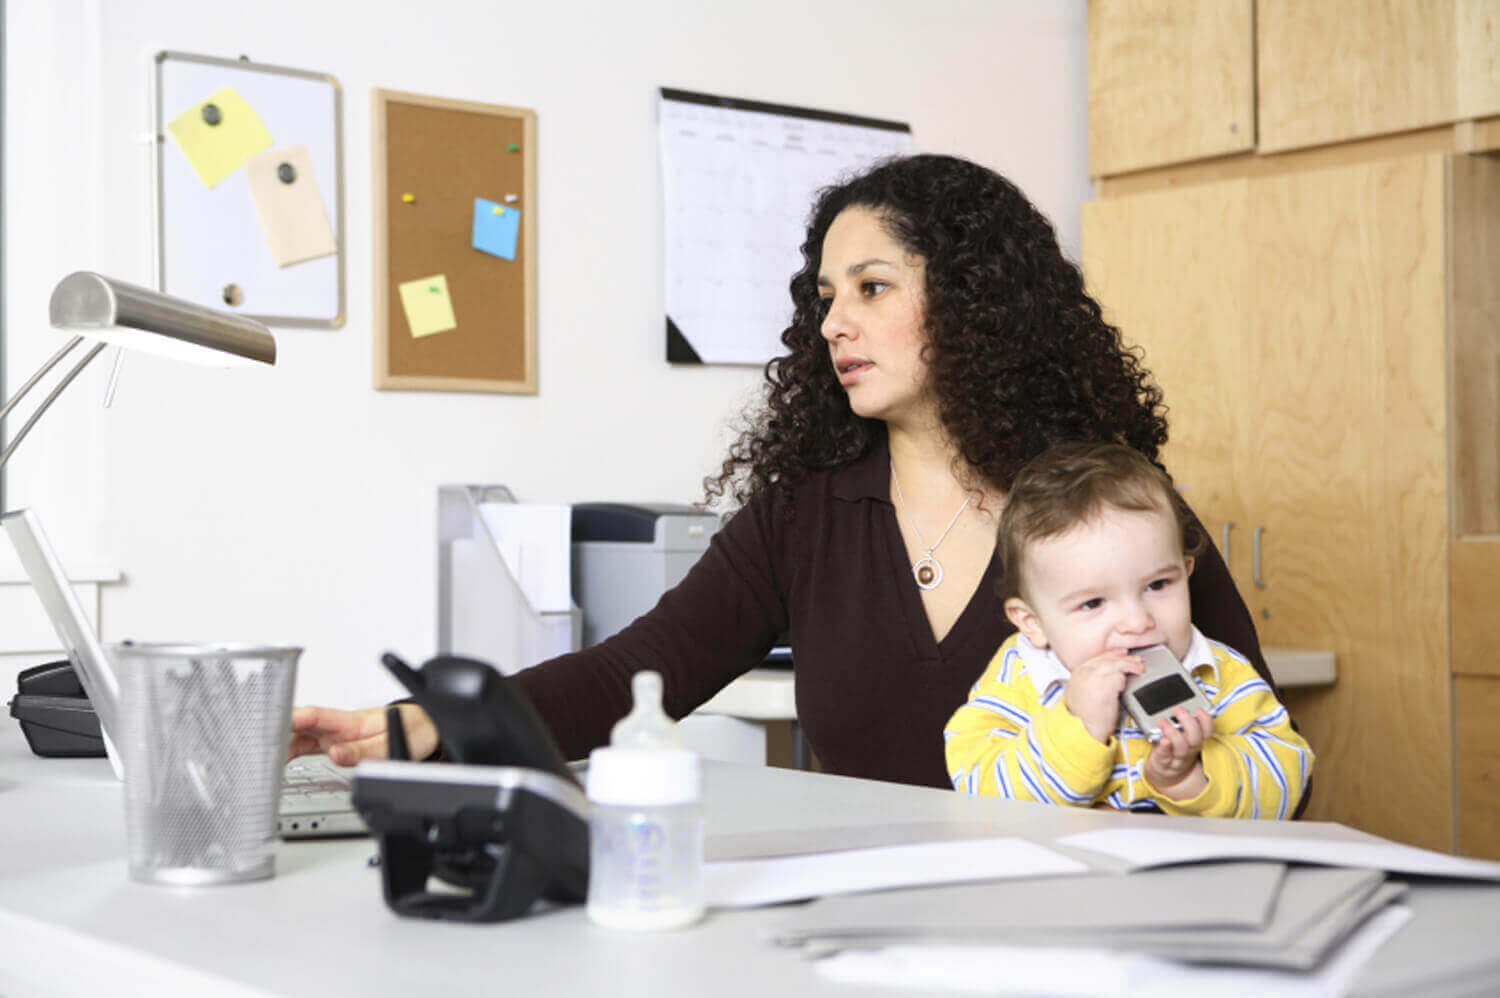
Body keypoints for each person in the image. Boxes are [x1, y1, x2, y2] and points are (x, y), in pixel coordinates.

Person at [290, 154, 1279, 791]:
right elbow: (629, 676)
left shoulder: (1109, 509)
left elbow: (1271, 748)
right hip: (867, 937)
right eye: (824, 296)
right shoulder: (803, 515)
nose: (835, 322)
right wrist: (430, 722)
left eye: (873, 287)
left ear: (979, 304)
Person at [944, 442, 1313, 817]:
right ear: (1032, 623)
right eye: (1093, 604)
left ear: (1185, 572)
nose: (1138, 622)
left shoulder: (1220, 673)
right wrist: (1078, 726)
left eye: (1157, 586)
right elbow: (979, 789)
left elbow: (1287, 776)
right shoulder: (1018, 678)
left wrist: (1189, 778)